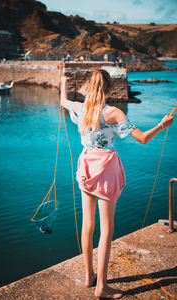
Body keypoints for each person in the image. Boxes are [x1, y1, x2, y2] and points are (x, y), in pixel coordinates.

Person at [60, 69, 174, 299]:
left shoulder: (80, 108)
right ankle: (101, 287)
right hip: (105, 169)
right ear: (109, 88)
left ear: (88, 87)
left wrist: (63, 82)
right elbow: (142, 139)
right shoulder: (113, 113)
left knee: (87, 225)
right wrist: (163, 124)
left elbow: (63, 100)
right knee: (106, 229)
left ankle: (88, 276)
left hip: (86, 166)